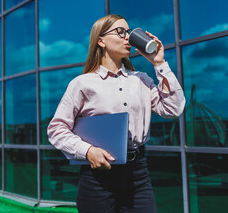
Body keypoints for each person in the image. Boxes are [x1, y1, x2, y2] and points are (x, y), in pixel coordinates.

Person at [47, 14, 185, 213]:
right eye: (121, 32)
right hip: (97, 178)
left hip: (138, 174)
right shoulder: (82, 83)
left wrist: (159, 64)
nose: (127, 38)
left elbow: (173, 109)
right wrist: (87, 151)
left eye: (129, 33)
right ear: (101, 40)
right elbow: (56, 129)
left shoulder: (142, 80)